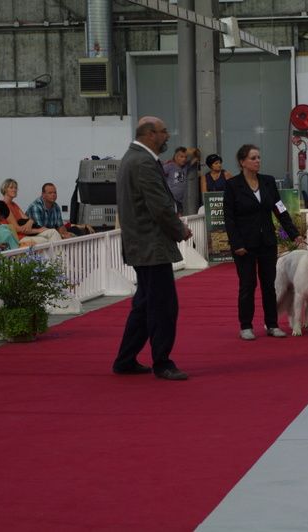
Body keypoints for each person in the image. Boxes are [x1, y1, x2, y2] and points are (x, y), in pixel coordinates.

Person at [113, 116, 192, 381]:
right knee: (163, 306)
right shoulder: (144, 162)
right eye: (164, 131)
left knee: (145, 304)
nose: (168, 136)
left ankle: (125, 359)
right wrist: (180, 230)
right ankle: (162, 363)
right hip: (151, 245)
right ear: (150, 134)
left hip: (141, 244)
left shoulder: (131, 158)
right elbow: (158, 206)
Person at [224, 144, 305, 341]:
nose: (257, 161)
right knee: (247, 285)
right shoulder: (233, 185)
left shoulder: (268, 182)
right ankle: (246, 326)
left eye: (259, 157)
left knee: (269, 285)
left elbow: (280, 210)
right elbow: (229, 218)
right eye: (253, 158)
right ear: (242, 162)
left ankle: (272, 324)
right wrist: (237, 244)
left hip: (267, 242)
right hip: (244, 245)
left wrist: (295, 234)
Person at [0, 178, 60, 242]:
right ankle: (58, 252)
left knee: (53, 232)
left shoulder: (14, 205)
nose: (14, 190)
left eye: (15, 188)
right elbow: (17, 229)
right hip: (17, 238)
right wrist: (39, 230)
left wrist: (30, 222)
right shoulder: (3, 205)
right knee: (44, 240)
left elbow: (28, 220)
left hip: (26, 234)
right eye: (11, 188)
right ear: (5, 189)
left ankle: (61, 252)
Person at [26, 183, 94, 239]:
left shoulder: (56, 206)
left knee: (74, 230)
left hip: (51, 233)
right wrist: (62, 235)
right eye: (50, 193)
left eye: (55, 192)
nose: (53, 195)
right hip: (35, 235)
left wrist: (66, 234)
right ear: (43, 195)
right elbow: (41, 230)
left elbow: (60, 226)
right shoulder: (36, 207)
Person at [163, 146, 190, 214]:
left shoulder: (185, 167)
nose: (184, 159)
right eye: (181, 157)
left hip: (179, 201)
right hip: (170, 200)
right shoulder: (170, 166)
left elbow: (197, 154)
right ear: (176, 157)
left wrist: (187, 151)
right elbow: (156, 173)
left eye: (185, 157)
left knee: (180, 220)